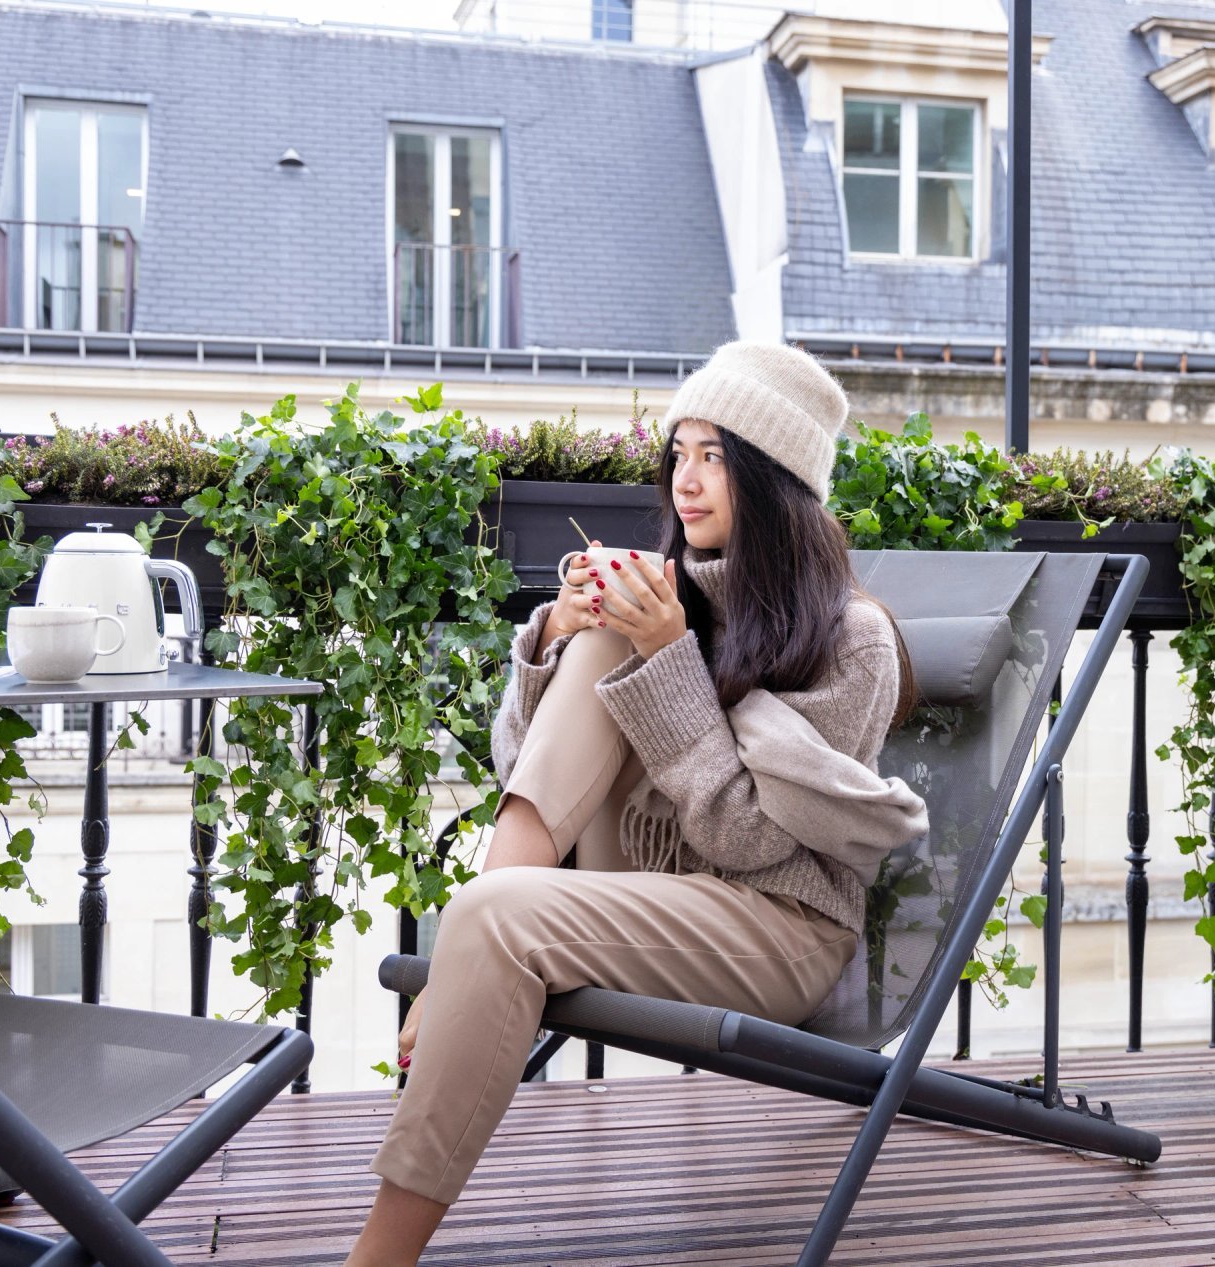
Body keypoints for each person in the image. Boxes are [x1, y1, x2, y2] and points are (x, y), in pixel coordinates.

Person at [344, 341, 927, 1266]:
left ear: (774, 480)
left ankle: (375, 1258)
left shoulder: (852, 641)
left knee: (493, 916)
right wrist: (561, 635)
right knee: (598, 642)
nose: (685, 482)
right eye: (679, 452)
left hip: (779, 922)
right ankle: (468, 941)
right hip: (649, 883)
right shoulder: (670, 595)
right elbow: (526, 767)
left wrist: (670, 660)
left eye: (716, 456)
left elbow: (750, 841)